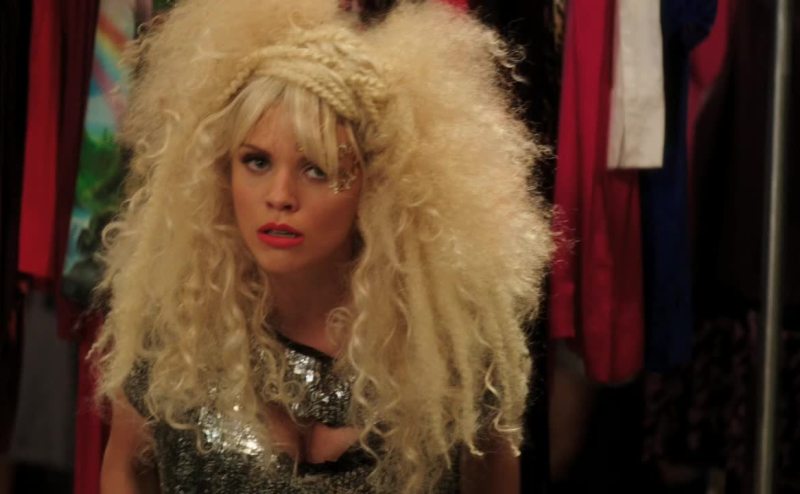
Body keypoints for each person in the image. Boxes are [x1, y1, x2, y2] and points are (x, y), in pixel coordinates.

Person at [93, 0, 552, 492]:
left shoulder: (448, 346)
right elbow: (126, 467)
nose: (280, 197)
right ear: (221, 171)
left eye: (318, 169)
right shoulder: (177, 325)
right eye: (257, 162)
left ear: (375, 189)